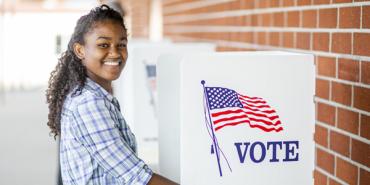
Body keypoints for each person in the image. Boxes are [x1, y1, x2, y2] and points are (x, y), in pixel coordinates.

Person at [46, 4, 178, 185]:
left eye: (121, 44)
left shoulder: (93, 94)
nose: (115, 53)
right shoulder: (88, 103)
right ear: (80, 50)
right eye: (103, 45)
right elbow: (137, 177)